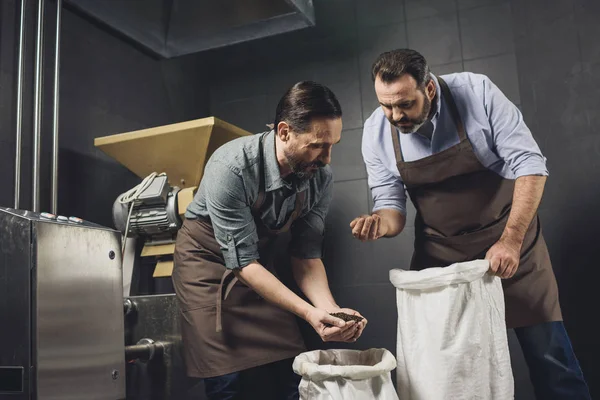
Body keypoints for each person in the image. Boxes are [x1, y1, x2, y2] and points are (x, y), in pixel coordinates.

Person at [351, 49, 590, 399]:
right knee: (444, 371)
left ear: (429, 88)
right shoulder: (376, 132)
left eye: (404, 104)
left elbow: (531, 166)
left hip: (511, 243)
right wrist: (378, 224)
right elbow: (392, 211)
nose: (395, 115)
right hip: (442, 260)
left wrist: (511, 241)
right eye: (386, 106)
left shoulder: (477, 94)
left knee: (550, 359)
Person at [173, 81, 367, 400]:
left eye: (332, 145)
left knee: (293, 375)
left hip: (258, 268)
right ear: (284, 132)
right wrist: (308, 313)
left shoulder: (319, 178)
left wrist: (330, 310)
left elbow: (305, 255)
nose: (327, 158)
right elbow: (243, 262)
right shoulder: (231, 166)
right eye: (318, 145)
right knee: (227, 383)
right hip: (206, 272)